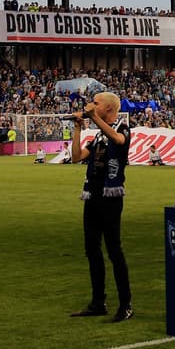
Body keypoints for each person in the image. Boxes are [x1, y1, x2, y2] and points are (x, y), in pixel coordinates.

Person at [70, 91, 133, 322]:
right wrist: (78, 127)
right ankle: (98, 301)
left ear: (107, 108)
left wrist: (92, 119)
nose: (91, 106)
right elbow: (77, 157)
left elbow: (118, 140)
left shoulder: (122, 128)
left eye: (95, 103)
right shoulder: (97, 136)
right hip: (92, 193)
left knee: (114, 250)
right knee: (92, 249)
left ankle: (126, 304)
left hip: (111, 195)